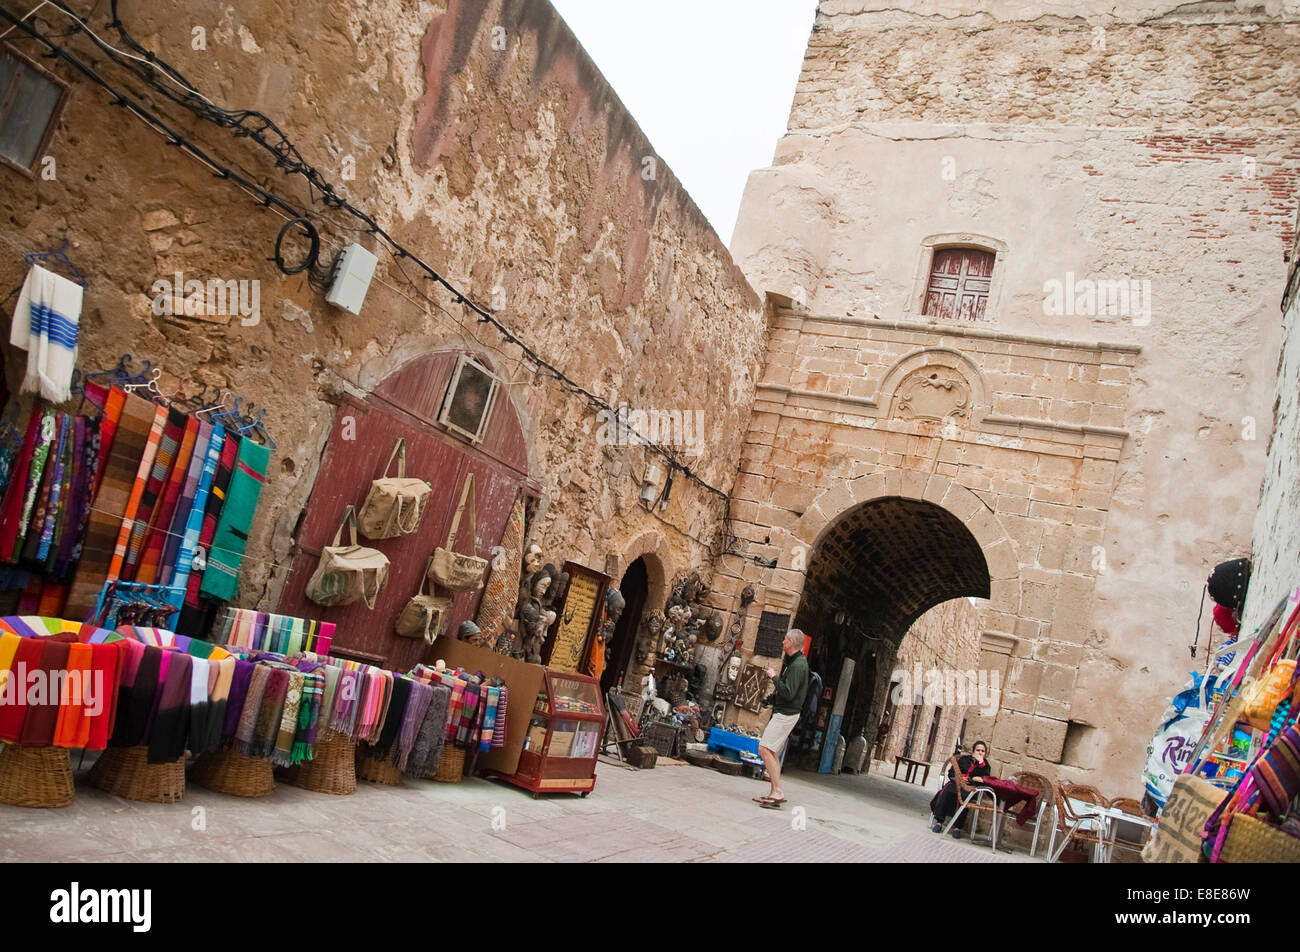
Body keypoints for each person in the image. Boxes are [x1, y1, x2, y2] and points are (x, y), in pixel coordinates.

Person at [753, 629, 809, 808]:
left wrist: (774, 677)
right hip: (785, 712)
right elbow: (786, 692)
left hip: (786, 714)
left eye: (785, 639)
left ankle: (778, 790)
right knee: (772, 752)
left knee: (764, 748)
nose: (782, 642)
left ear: (791, 642)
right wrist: (771, 700)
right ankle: (774, 792)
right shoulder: (794, 663)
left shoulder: (798, 665)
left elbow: (789, 693)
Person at [929, 740, 992, 838]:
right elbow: (951, 773)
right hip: (956, 783)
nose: (980, 753)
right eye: (978, 750)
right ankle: (939, 822)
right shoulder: (963, 760)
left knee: (965, 797)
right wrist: (959, 779)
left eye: (982, 751)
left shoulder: (985, 766)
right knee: (948, 790)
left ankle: (957, 827)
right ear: (973, 751)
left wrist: (980, 764)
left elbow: (985, 779)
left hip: (970, 788)